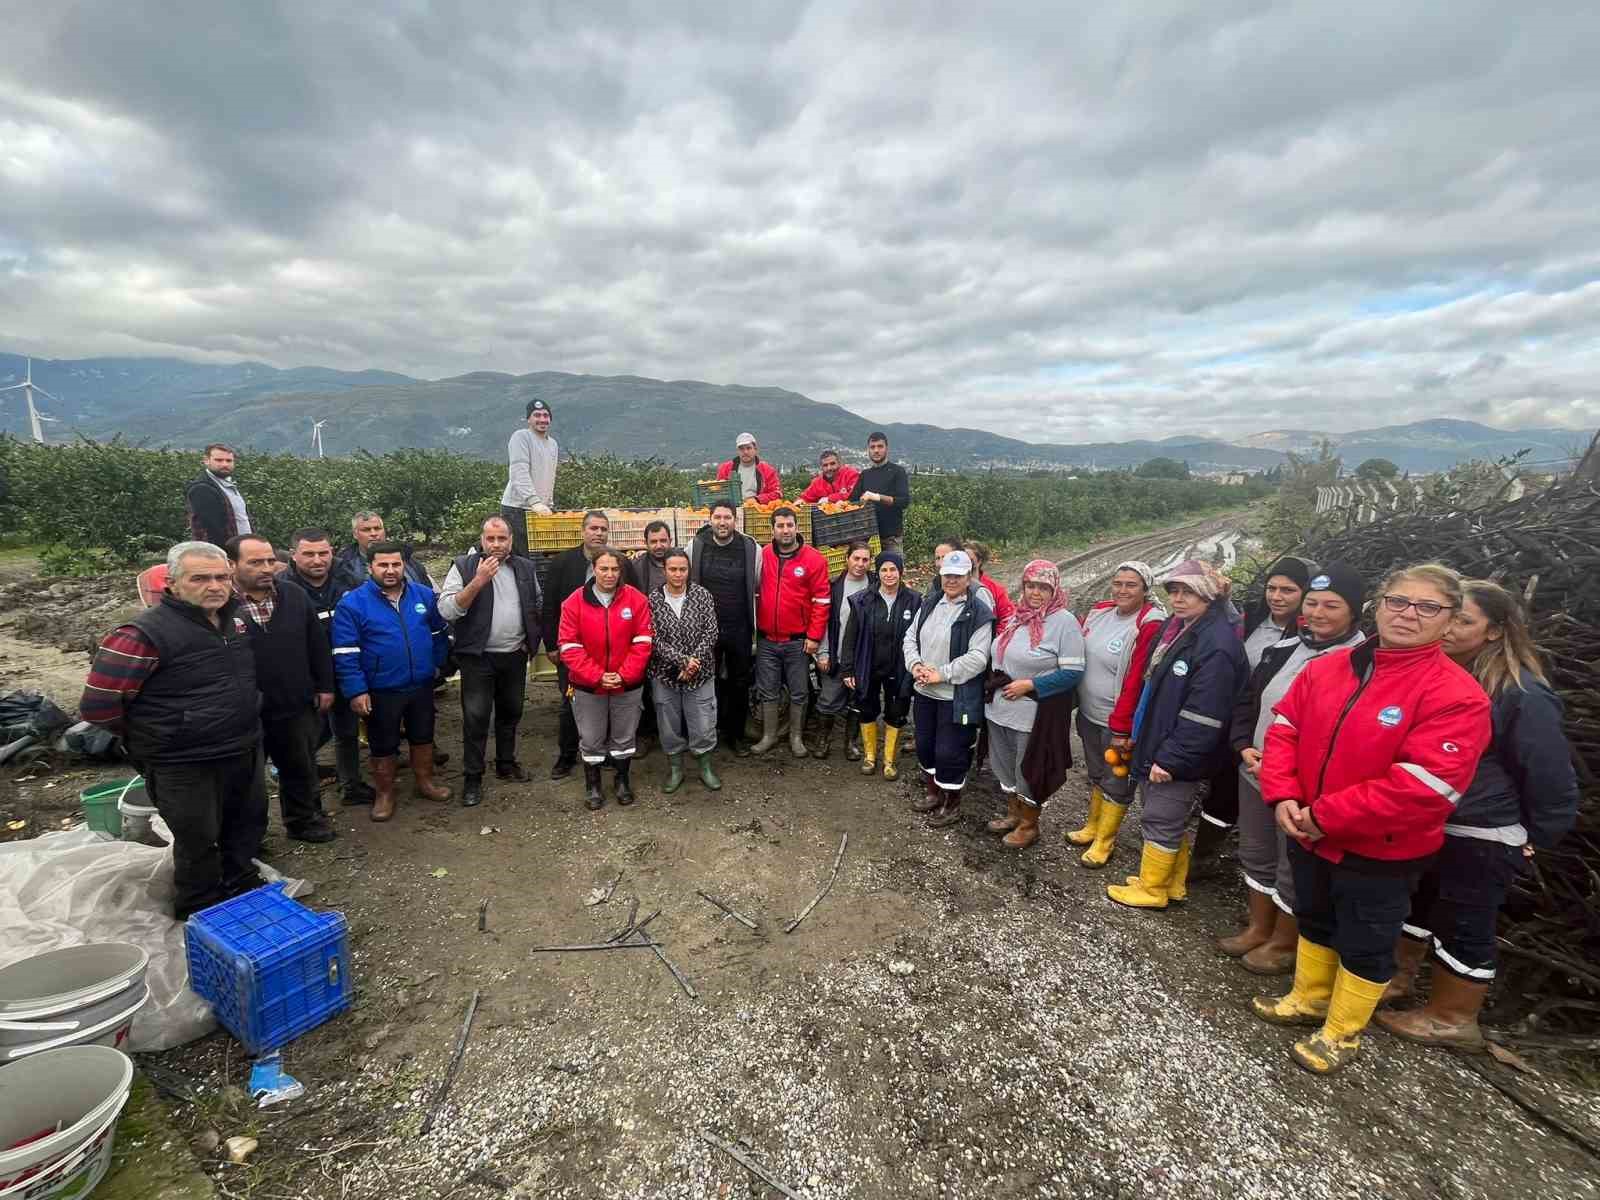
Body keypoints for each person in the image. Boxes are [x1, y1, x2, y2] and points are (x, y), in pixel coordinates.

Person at [1252, 563, 1491, 1075]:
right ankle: (1309, 999)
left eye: (1428, 607)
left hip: (1381, 847)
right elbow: (1285, 729)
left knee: (1366, 939)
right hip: (1307, 829)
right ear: (1378, 605)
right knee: (1314, 917)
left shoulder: (1457, 696)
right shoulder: (1328, 668)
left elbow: (1426, 786)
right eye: (1399, 601)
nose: (1409, 614)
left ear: (1448, 622)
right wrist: (1283, 796)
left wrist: (1325, 816)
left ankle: (1342, 1033)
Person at [1376, 580, 1579, 1049]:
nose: (1448, 628)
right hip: (1435, 823)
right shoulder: (1443, 676)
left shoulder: (1521, 693)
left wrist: (1539, 835)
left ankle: (1453, 1017)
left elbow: (1551, 775)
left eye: (1464, 620)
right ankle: (1397, 979)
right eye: (1450, 616)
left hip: (1484, 830)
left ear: (1494, 631)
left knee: (1465, 920)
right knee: (1420, 905)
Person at [79, 541, 267, 919]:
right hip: (183, 760)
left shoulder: (236, 622)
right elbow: (98, 708)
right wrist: (163, 733)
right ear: (173, 583)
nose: (214, 586)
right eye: (200, 578)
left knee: (246, 825)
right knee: (197, 838)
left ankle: (244, 888)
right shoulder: (142, 635)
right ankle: (200, 909)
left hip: (241, 746)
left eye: (221, 577)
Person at [1221, 564, 1368, 972]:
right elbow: (1249, 703)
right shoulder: (1284, 649)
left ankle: (1285, 943)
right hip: (1255, 770)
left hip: (1305, 785)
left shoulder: (1361, 664)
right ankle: (1258, 927)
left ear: (1355, 612)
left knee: (1294, 863)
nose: (1318, 613)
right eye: (1313, 603)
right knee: (1256, 850)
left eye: (1331, 605)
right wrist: (1241, 747)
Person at [1106, 560, 1247, 909]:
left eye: (1189, 592)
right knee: (1169, 817)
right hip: (1162, 739)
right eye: (1175, 591)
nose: (1179, 599)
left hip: (1178, 752)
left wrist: (1172, 757)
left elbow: (1206, 713)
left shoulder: (1215, 645)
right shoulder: (1183, 628)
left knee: (1161, 817)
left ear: (1210, 596)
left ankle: (1152, 889)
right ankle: (1172, 883)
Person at [227, 534, 337, 844]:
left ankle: (304, 821)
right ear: (232, 564)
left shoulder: (293, 595)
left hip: (294, 700)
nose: (266, 568)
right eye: (255, 562)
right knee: (245, 779)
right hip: (245, 709)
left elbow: (317, 643)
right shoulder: (221, 605)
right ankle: (247, 837)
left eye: (270, 561)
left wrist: (325, 685)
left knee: (300, 768)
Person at [332, 540, 453, 820]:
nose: (390, 570)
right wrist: (356, 690)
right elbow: (345, 652)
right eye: (383, 565)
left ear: (404, 566)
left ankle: (425, 782)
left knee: (422, 736)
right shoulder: (353, 604)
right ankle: (385, 794)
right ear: (370, 567)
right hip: (381, 688)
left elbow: (438, 633)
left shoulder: (422, 595)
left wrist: (436, 665)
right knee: (383, 743)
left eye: (396, 564)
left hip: (420, 684)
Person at [437, 516, 543, 808]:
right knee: (476, 717)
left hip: (514, 656)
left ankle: (506, 763)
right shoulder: (463, 566)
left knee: (511, 712)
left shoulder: (525, 567)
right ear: (482, 540)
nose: (496, 544)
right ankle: (473, 777)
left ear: (511, 540)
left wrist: (529, 640)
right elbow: (447, 610)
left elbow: (537, 602)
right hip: (478, 658)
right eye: (490, 539)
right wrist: (479, 581)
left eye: (502, 538)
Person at [983, 560, 1085, 849]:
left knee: (1028, 768)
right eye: (1031, 585)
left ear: (1054, 589)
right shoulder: (1018, 615)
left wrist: (1032, 684)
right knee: (1004, 765)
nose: (1036, 593)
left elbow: (1073, 672)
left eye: (1043, 587)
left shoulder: (1064, 623)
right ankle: (1013, 813)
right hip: (1000, 709)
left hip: (1032, 713)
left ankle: (1029, 825)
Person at [1072, 562, 1165, 866]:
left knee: (1118, 778)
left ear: (1145, 589)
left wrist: (1123, 727)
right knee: (1097, 772)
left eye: (1131, 585)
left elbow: (1138, 679)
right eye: (1118, 583)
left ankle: (1104, 841)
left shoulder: (1149, 625)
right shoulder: (1101, 613)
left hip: (1119, 721)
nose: (1122, 590)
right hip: (1089, 713)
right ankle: (1092, 826)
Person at [904, 549, 995, 827]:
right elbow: (910, 637)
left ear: (969, 577)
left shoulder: (978, 612)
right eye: (947, 575)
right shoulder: (931, 603)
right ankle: (933, 792)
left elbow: (978, 658)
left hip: (955, 696)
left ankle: (951, 801)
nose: (951, 581)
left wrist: (941, 674)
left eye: (958, 576)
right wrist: (915, 665)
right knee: (926, 745)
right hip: (924, 692)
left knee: (950, 751)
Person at [559, 548, 654, 809]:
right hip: (588, 686)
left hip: (628, 684)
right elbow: (569, 646)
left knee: (624, 738)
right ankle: (593, 784)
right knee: (591, 738)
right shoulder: (573, 602)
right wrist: (598, 676)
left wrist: (623, 675)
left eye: (615, 569)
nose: (610, 574)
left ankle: (622, 780)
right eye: (604, 569)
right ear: (593, 569)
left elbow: (643, 642)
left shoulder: (636, 600)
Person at [285, 526, 372, 808]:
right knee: (305, 739)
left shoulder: (348, 579)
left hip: (344, 668)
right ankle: (307, 803)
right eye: (308, 554)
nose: (317, 560)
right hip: (305, 675)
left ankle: (351, 785)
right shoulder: (282, 588)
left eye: (323, 553)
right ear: (293, 555)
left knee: (346, 731)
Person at [750, 507, 830, 757]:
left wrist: (814, 637)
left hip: (797, 641)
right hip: (766, 640)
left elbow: (821, 601)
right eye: (780, 526)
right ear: (772, 529)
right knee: (768, 689)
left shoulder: (814, 559)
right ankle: (769, 735)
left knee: (799, 690)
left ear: (797, 527)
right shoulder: (763, 556)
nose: (785, 530)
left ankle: (796, 737)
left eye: (789, 525)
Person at [541, 510, 611, 778]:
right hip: (571, 649)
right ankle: (567, 755)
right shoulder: (562, 562)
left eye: (603, 529)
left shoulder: (615, 563)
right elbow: (549, 606)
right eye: (593, 528)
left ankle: (601, 751)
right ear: (583, 531)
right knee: (570, 702)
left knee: (604, 700)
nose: (598, 533)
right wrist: (551, 644)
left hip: (605, 648)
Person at [688, 500, 761, 756]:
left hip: (739, 626)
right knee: (707, 680)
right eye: (717, 517)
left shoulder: (750, 548)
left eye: (727, 517)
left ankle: (735, 735)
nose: (722, 522)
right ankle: (709, 732)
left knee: (739, 682)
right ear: (710, 520)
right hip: (706, 629)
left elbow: (757, 583)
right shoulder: (696, 546)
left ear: (735, 520)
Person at [647, 548, 722, 793]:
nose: (678, 574)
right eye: (673, 569)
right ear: (664, 570)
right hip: (665, 675)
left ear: (688, 570)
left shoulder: (702, 595)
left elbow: (711, 632)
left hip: (700, 673)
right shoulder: (653, 600)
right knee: (668, 723)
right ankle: (676, 768)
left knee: (703, 721)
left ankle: (705, 767)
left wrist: (693, 662)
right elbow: (653, 638)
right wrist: (681, 661)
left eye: (683, 569)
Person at [842, 551, 921, 779]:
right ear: (878, 572)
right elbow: (851, 636)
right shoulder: (863, 600)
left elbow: (919, 636)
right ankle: (870, 757)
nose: (889, 574)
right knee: (866, 706)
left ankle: (889, 761)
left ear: (901, 572)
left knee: (897, 711)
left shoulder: (914, 600)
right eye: (884, 570)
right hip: (868, 663)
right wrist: (848, 668)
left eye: (893, 569)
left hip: (899, 665)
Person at [813, 542, 874, 759]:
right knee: (828, 699)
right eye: (856, 558)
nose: (860, 564)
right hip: (837, 656)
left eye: (865, 559)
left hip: (864, 659)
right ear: (847, 558)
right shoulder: (835, 587)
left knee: (858, 700)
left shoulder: (875, 585)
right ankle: (823, 740)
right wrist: (823, 652)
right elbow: (825, 621)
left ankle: (851, 743)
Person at [501, 397, 559, 557]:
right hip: (518, 509)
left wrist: (548, 503)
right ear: (529, 419)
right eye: (537, 415)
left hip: (541, 510)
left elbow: (549, 476)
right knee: (522, 558)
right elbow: (519, 472)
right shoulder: (521, 437)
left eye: (546, 415)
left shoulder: (552, 444)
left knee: (543, 557)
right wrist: (534, 501)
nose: (542, 419)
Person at [334, 512, 433, 592]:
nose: (374, 534)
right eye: (367, 530)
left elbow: (428, 590)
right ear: (355, 534)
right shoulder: (345, 565)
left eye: (377, 528)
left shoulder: (406, 557)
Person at [849, 431, 911, 556]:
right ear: (868, 450)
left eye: (880, 446)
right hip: (868, 539)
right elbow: (852, 501)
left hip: (891, 538)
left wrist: (877, 497)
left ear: (886, 448)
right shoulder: (865, 475)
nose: (876, 450)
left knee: (892, 574)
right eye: (872, 447)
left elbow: (903, 501)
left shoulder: (897, 471)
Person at [185, 444, 252, 547]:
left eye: (229, 461)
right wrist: (228, 553)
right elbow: (213, 529)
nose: (224, 464)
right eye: (219, 460)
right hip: (219, 553)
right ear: (206, 460)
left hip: (242, 548)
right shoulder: (202, 488)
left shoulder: (228, 486)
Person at [716, 432, 783, 503]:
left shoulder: (767, 470)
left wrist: (757, 499)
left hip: (757, 509)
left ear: (755, 449)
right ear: (737, 451)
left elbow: (777, 493)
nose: (745, 452)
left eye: (749, 448)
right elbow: (719, 490)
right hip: (731, 509)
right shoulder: (725, 468)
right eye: (741, 449)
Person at [963, 541, 1016, 625]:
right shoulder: (954, 587)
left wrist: (995, 636)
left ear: (979, 561)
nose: (964, 562)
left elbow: (1008, 618)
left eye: (969, 559)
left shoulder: (996, 590)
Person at [628, 520, 674, 597]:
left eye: (663, 541)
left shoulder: (681, 562)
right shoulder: (636, 567)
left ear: (670, 541)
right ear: (646, 543)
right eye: (653, 542)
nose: (659, 546)